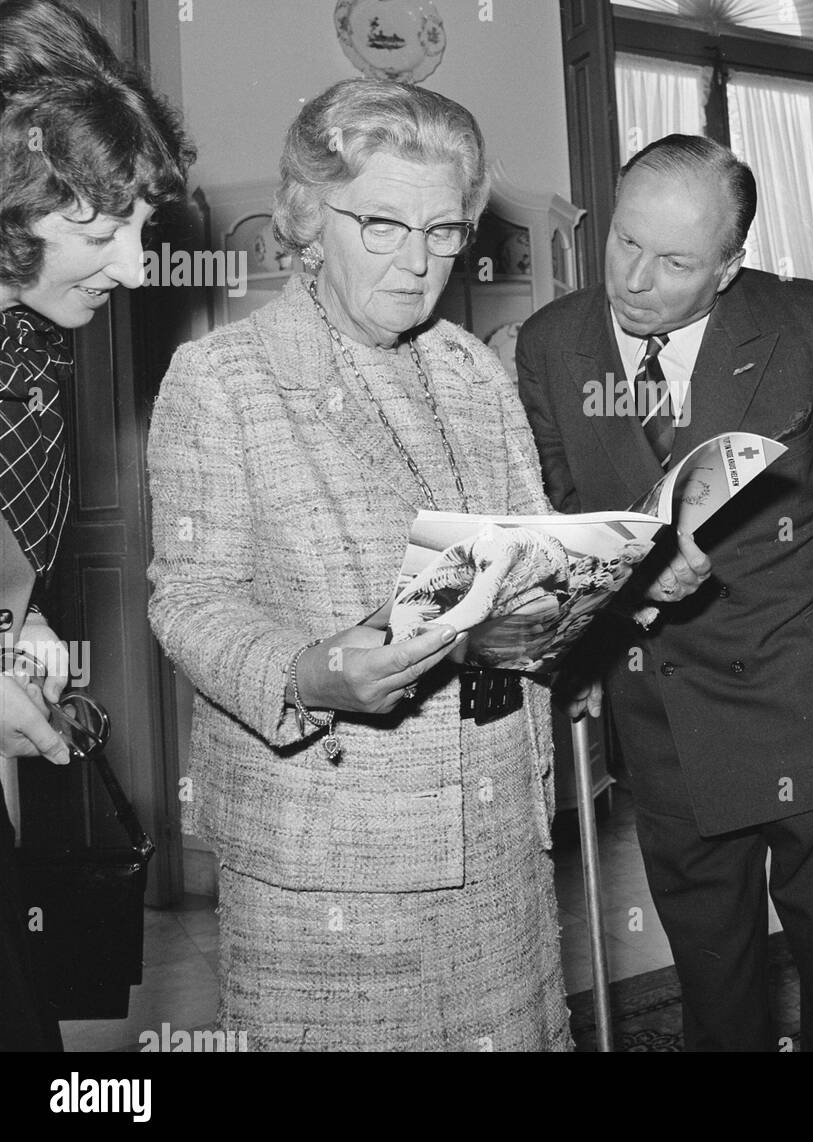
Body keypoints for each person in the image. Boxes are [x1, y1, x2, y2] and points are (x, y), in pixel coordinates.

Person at [149, 79, 594, 1051]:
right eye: (382, 224)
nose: (418, 262)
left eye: (443, 231)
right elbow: (191, 599)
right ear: (308, 218)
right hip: (333, 865)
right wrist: (306, 671)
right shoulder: (226, 378)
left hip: (496, 838)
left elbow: (527, 550)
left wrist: (601, 589)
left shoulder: (472, 369)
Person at [515, 133, 813, 1052]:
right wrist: (627, 590)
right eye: (625, 242)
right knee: (712, 976)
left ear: (729, 267)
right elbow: (562, 511)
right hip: (665, 706)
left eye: (676, 261)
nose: (636, 279)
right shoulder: (550, 344)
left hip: (811, 693)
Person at [0, 0, 194, 1052]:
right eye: (99, 226)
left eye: (142, 226)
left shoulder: (24, 344)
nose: (131, 263)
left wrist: (14, 631)